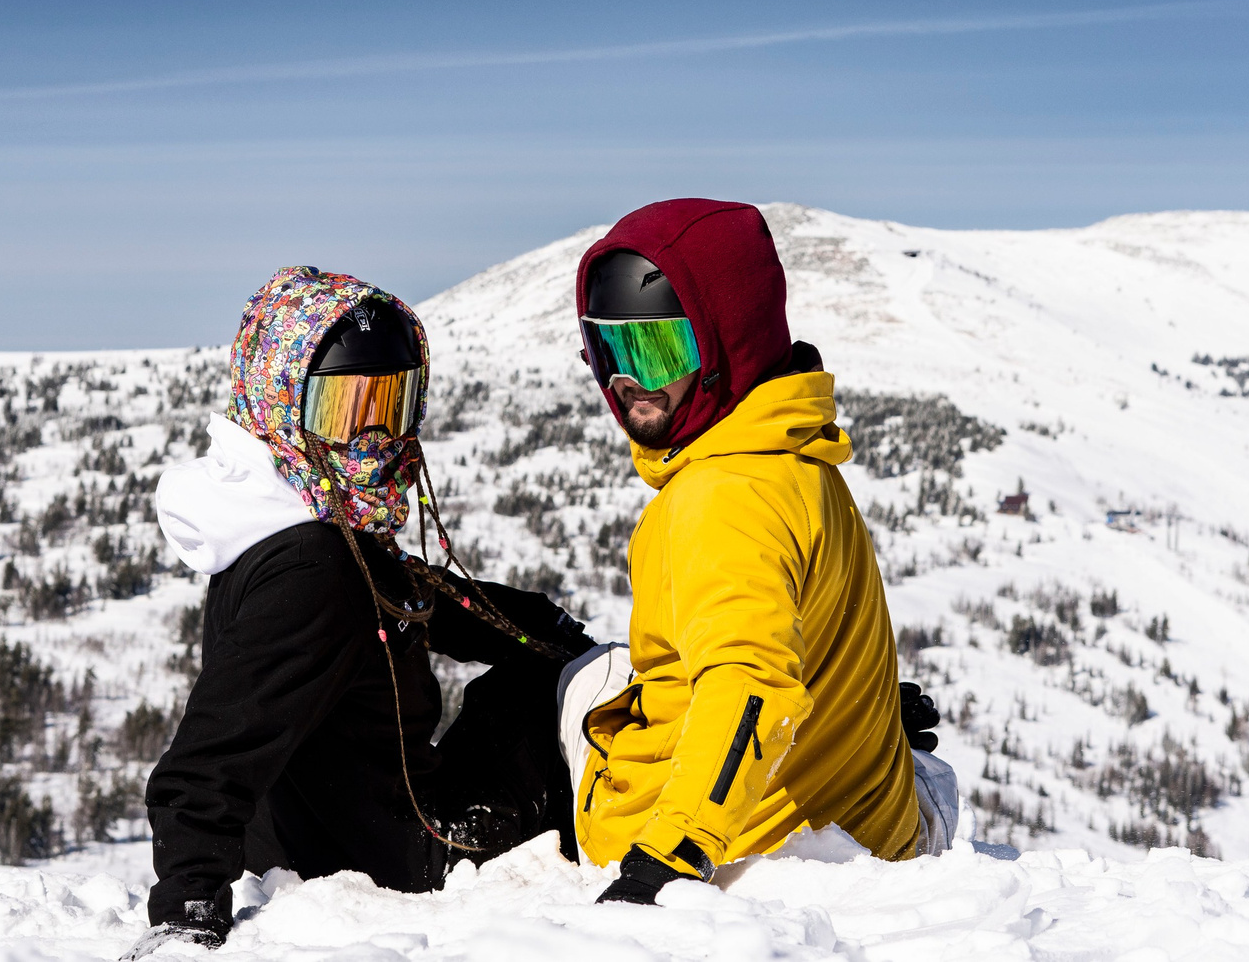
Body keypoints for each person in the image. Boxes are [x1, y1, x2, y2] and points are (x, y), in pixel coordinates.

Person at [135, 267, 591, 951]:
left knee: (535, 665)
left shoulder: (285, 522)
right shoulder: (314, 566)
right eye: (346, 410)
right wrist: (187, 908)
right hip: (394, 862)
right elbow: (208, 756)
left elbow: (412, 595)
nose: (375, 432)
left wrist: (539, 622)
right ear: (284, 403)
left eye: (393, 401)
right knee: (547, 694)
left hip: (338, 832)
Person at [565, 198, 956, 904]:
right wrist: (854, 706)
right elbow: (798, 619)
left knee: (576, 682)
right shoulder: (797, 454)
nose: (626, 382)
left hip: (724, 837)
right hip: (880, 822)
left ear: (727, 341)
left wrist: (669, 854)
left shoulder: (722, 495)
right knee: (932, 777)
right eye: (606, 350)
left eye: (654, 350)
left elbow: (748, 680)